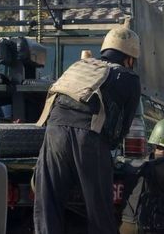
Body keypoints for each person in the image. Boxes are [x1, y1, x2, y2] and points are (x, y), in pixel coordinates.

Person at [33, 24, 142, 234]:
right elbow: (123, 127)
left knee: (48, 204)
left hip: (54, 131)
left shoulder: (79, 66)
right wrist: (109, 147)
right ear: (129, 59)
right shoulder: (129, 78)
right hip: (87, 137)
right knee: (99, 210)